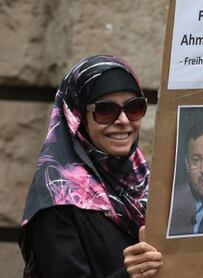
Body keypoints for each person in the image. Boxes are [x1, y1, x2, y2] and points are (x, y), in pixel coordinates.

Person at [19, 55, 163, 277]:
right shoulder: (56, 200)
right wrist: (130, 275)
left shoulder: (147, 183)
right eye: (105, 110)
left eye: (134, 108)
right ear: (78, 117)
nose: (123, 120)